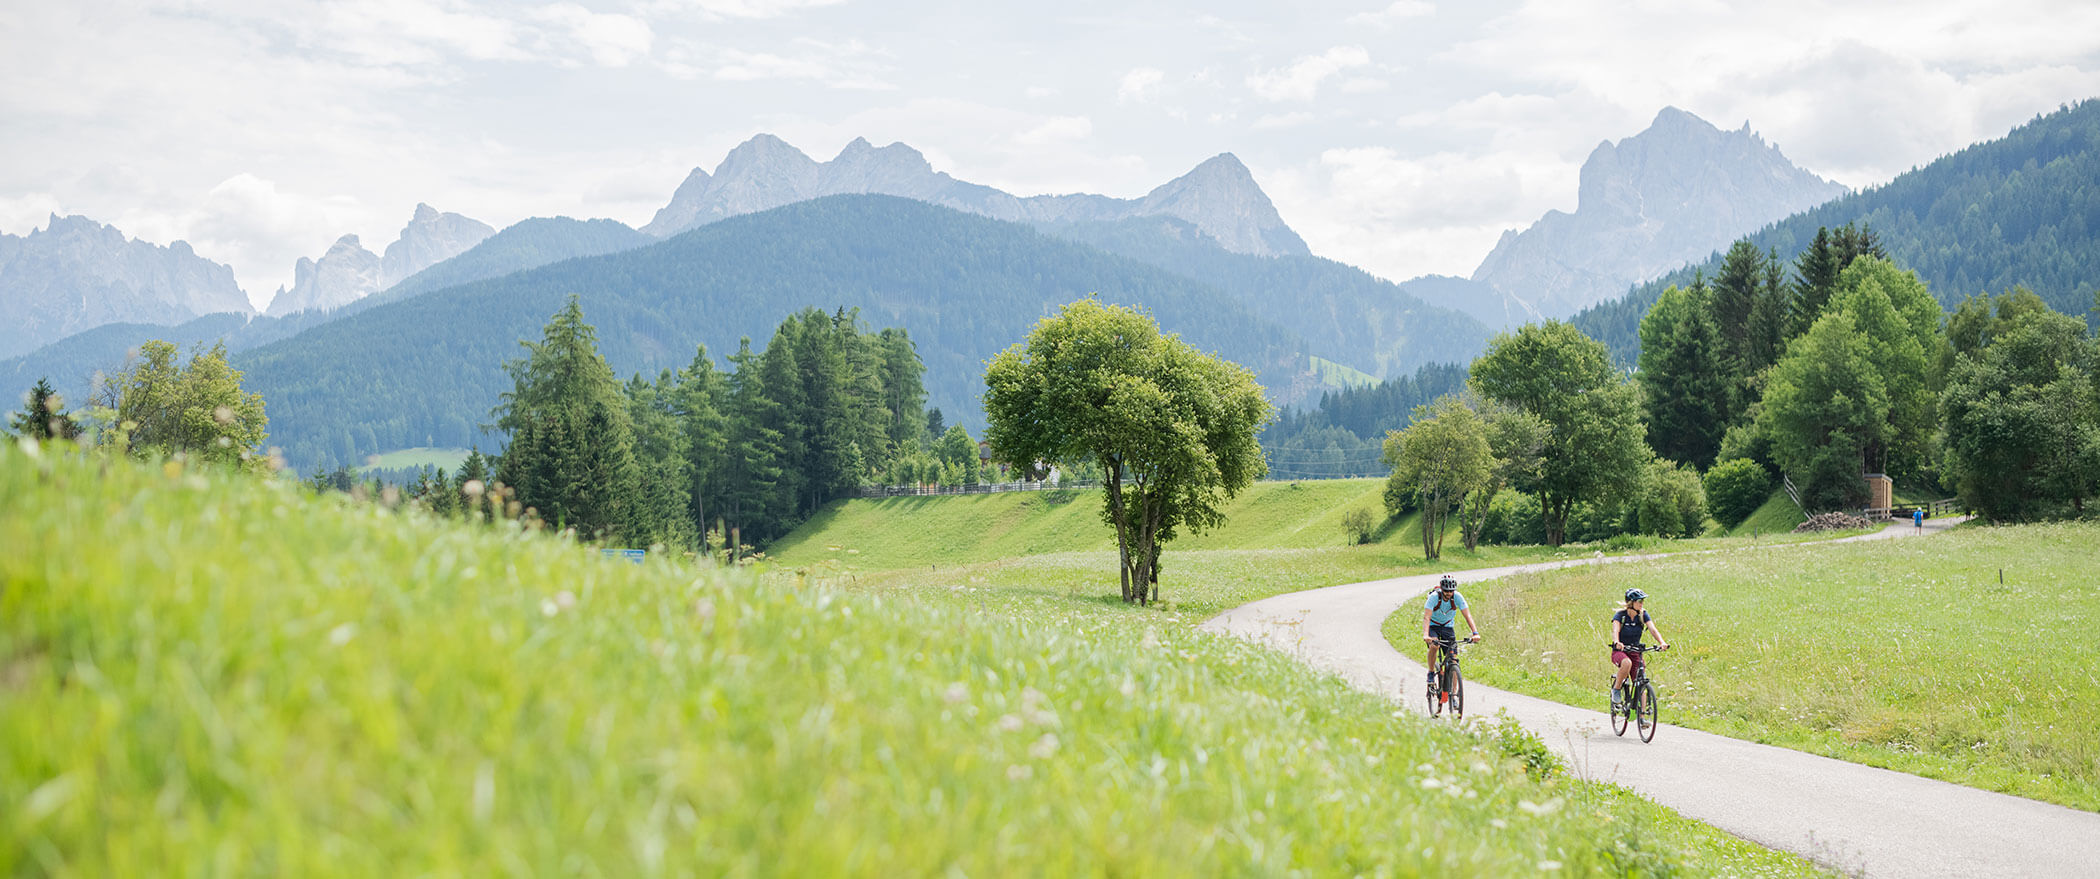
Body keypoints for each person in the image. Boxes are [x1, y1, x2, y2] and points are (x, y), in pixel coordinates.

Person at [1606, 588, 1669, 707]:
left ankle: (1642, 717)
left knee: (1640, 682)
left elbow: (1653, 629)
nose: (1642, 603)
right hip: (1620, 651)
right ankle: (1616, 690)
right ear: (1631, 603)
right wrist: (1617, 642)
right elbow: (1616, 630)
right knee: (1626, 663)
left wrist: (1662, 642)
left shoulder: (1643, 614)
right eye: (1639, 601)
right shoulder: (1620, 615)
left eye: (1642, 601)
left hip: (1636, 651)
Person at [1421, 574, 1481, 691]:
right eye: (1446, 591)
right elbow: (1427, 617)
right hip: (1433, 626)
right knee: (1434, 646)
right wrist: (1426, 634)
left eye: (1451, 591)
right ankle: (1431, 673)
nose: (1448, 593)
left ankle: (1454, 695)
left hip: (1448, 627)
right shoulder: (1434, 597)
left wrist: (1475, 633)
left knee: (1453, 660)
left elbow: (1467, 615)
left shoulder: (1457, 597)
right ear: (1442, 589)